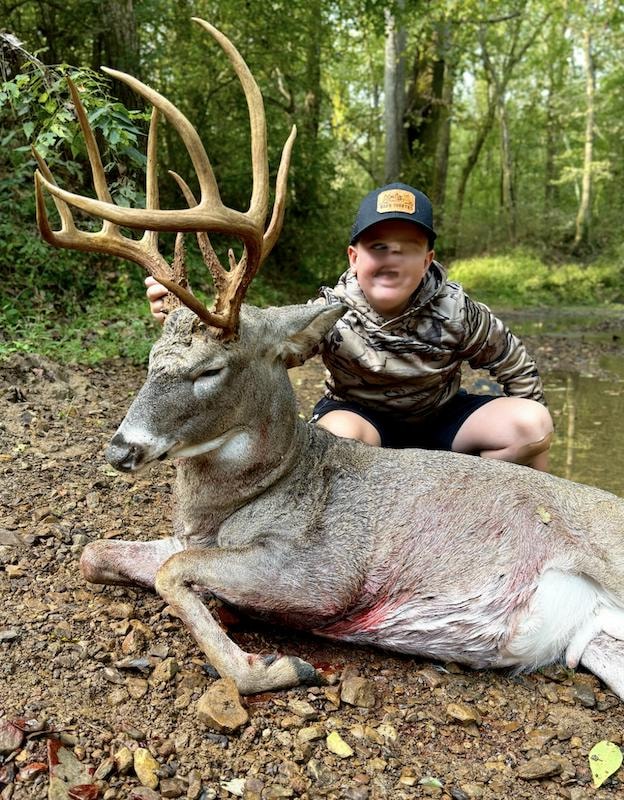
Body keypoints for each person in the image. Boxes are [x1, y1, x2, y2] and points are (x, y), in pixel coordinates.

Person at [146, 182, 554, 470]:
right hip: (361, 421)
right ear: (354, 257)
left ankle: (510, 511)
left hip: (442, 421)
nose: (391, 260)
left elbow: (514, 365)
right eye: (378, 247)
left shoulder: (458, 311)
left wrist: (530, 420)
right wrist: (186, 320)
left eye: (406, 248)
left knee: (531, 425)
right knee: (337, 440)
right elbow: (258, 344)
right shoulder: (329, 312)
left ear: (427, 260)